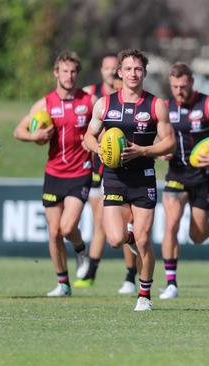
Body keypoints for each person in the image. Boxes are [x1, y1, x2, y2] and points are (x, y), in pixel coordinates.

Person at [84, 49, 175, 311]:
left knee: (145, 239)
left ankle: (144, 295)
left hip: (143, 179)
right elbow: (88, 137)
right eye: (128, 69)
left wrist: (144, 150)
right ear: (120, 73)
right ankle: (132, 239)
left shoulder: (156, 105)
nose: (133, 74)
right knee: (115, 239)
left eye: (138, 69)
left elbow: (169, 142)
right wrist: (99, 149)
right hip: (113, 177)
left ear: (144, 73)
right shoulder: (104, 104)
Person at [13, 51, 94, 297]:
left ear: (77, 74)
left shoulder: (89, 101)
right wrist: (34, 136)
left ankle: (80, 249)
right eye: (64, 71)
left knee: (68, 227)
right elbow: (18, 131)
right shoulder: (45, 104)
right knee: (53, 231)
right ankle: (63, 283)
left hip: (80, 171)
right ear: (56, 73)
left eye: (73, 72)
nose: (69, 76)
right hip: (54, 173)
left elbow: (104, 124)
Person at [158, 62, 209, 299]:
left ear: (192, 82)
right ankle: (171, 283)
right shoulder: (165, 107)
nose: (179, 91)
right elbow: (158, 136)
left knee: (196, 236)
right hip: (176, 174)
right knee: (171, 225)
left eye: (183, 86)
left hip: (203, 177)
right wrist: (161, 150)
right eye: (174, 86)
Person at [75, 56, 139, 295]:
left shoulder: (133, 99)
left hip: (128, 172)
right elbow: (86, 133)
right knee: (101, 222)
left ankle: (130, 276)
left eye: (116, 68)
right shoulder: (94, 97)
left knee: (126, 223)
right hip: (97, 170)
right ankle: (92, 271)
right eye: (108, 68)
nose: (113, 73)